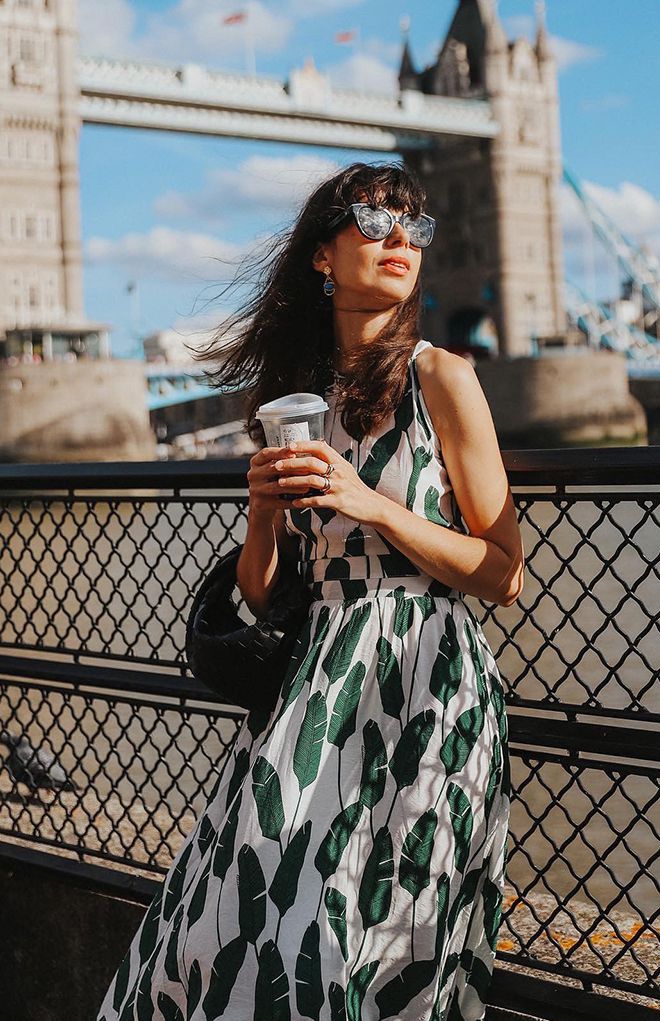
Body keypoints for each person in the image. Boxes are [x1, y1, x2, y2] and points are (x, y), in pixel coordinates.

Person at [95, 161, 524, 1021]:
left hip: (426, 680)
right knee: (240, 909)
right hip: (318, 683)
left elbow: (505, 569)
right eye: (375, 222)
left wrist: (375, 506)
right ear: (324, 255)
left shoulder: (443, 377)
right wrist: (260, 514)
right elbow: (263, 592)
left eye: (415, 228)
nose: (401, 241)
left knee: (393, 939)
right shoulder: (290, 400)